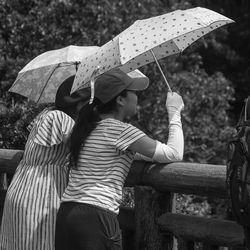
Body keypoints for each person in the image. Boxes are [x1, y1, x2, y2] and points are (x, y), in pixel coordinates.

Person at [55, 68, 184, 250]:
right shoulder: (120, 130)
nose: (137, 97)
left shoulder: (85, 129)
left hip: (67, 214)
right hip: (96, 218)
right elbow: (174, 153)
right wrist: (174, 111)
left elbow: (111, 153)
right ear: (120, 99)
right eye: (133, 92)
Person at [0, 75, 87, 250]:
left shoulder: (46, 113)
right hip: (42, 192)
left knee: (20, 243)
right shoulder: (61, 118)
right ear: (78, 103)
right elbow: (80, 146)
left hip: (23, 186)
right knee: (42, 243)